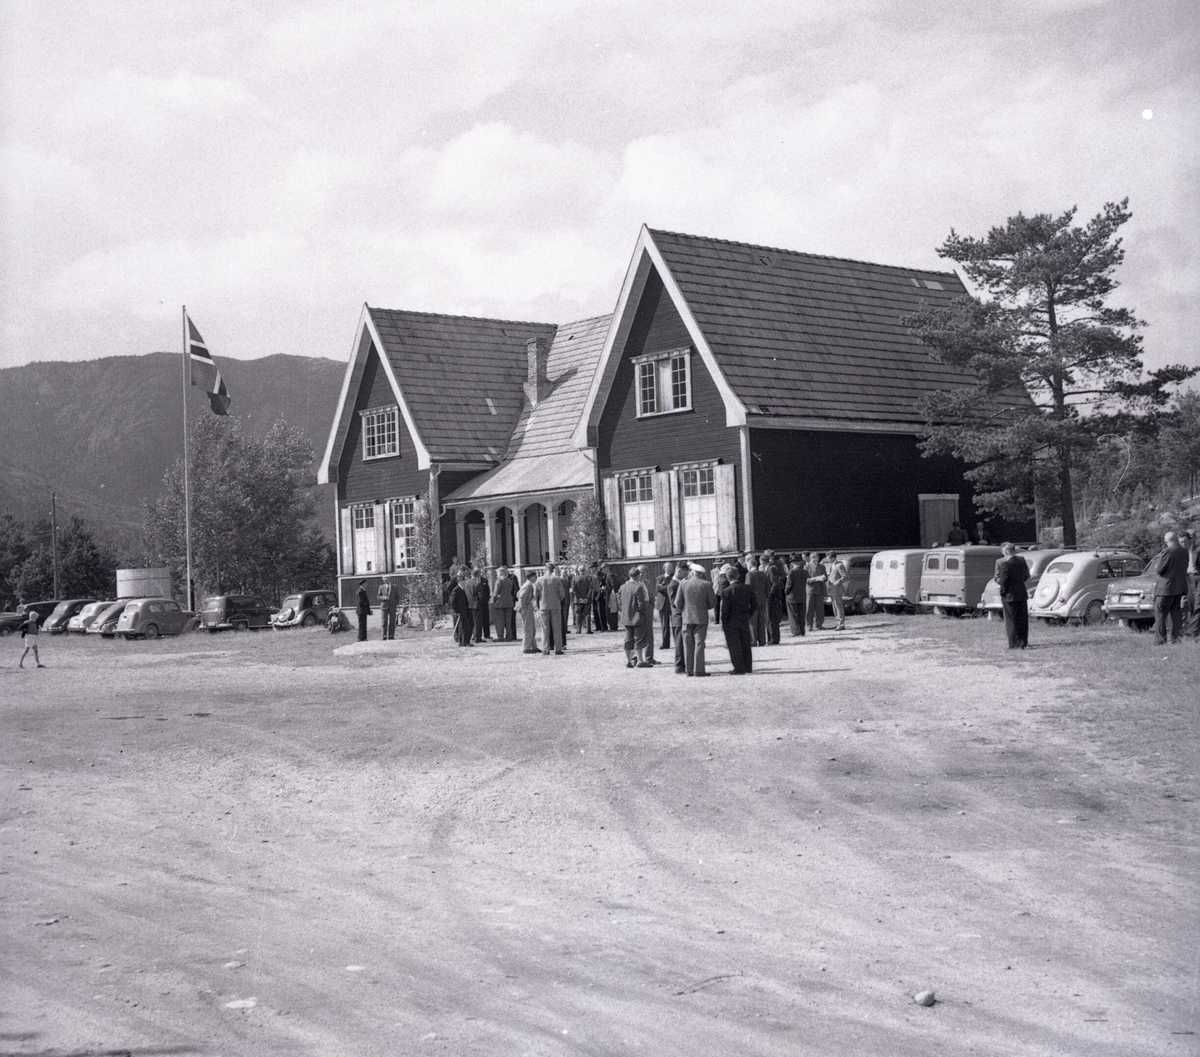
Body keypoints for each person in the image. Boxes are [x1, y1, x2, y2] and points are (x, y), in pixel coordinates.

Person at [675, 564, 718, 676]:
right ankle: (698, 670)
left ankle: (689, 670)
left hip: (687, 617)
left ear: (692, 572)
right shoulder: (707, 584)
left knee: (688, 644)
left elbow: (677, 603)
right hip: (701, 618)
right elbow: (712, 603)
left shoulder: (683, 584)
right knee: (699, 643)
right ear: (701, 574)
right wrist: (704, 607)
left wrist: (685, 609)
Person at [1151, 531, 1190, 645]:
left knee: (1160, 614)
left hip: (1166, 589)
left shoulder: (1168, 551)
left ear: (1168, 540)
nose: (1164, 541)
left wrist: (1158, 565)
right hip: (1179, 588)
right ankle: (1176, 638)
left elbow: (1160, 570)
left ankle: (1160, 639)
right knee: (1175, 614)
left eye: (1164, 539)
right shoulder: (1184, 551)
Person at [719, 567, 757, 674]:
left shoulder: (726, 591)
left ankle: (739, 667)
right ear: (739, 575)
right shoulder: (747, 588)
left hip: (731, 620)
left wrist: (724, 622)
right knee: (745, 643)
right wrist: (748, 615)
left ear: (727, 577)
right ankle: (747, 667)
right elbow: (755, 604)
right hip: (744, 619)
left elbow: (724, 610)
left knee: (734, 645)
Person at [994, 542, 1031, 649]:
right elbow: (1026, 576)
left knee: (1011, 619)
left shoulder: (1005, 564)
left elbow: (1004, 581)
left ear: (1005, 552)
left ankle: (1014, 643)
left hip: (1009, 595)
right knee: (1023, 619)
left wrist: (1002, 592)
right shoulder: (1022, 561)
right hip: (1021, 593)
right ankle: (1023, 641)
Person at [618, 566, 652, 668]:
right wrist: (644, 613)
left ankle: (628, 660)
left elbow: (620, 601)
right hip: (637, 617)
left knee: (628, 639)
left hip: (626, 617)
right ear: (637, 576)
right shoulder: (638, 587)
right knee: (639, 639)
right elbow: (641, 604)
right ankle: (640, 661)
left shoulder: (622, 587)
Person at [535, 562, 567, 655]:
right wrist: (559, 599)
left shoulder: (539, 579)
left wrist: (538, 603)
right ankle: (558, 648)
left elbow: (536, 593)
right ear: (553, 570)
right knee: (556, 627)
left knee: (544, 628)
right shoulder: (557, 579)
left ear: (545, 569)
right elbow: (562, 593)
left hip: (543, 605)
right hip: (555, 605)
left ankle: (545, 648)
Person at [667, 562, 688, 672]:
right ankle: (679, 666)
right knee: (679, 643)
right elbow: (674, 603)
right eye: (685, 573)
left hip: (682, 617)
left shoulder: (680, 583)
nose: (686, 575)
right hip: (678, 617)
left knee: (683, 642)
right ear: (679, 571)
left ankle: (684, 664)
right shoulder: (673, 585)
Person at [746, 557, 771, 646]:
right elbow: (768, 587)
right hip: (762, 600)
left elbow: (748, 588)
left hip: (753, 601)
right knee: (761, 621)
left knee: (752, 621)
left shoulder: (749, 575)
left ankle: (753, 641)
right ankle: (762, 640)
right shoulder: (763, 574)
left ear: (749, 565)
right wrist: (765, 597)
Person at [784, 555, 807, 637]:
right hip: (802, 595)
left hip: (792, 595)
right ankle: (802, 631)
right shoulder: (805, 572)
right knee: (801, 614)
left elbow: (789, 585)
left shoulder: (791, 572)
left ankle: (795, 631)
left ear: (792, 563)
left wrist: (785, 592)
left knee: (793, 614)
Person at [492, 566, 517, 641]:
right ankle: (509, 636)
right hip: (509, 602)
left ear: (501, 573)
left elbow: (496, 592)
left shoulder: (499, 580)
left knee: (500, 621)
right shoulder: (509, 580)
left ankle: (500, 636)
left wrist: (494, 599)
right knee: (508, 621)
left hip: (500, 603)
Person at [450, 573, 474, 646]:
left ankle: (463, 641)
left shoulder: (463, 589)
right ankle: (464, 642)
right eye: (464, 581)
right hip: (460, 611)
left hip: (465, 611)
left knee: (464, 626)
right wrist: (457, 611)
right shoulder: (456, 590)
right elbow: (453, 602)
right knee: (463, 627)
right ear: (460, 582)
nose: (465, 582)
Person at [826, 553, 848, 631]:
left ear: (833, 558)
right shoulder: (831, 566)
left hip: (837, 588)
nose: (827, 559)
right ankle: (838, 622)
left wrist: (838, 582)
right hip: (832, 589)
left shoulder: (839, 565)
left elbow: (844, 576)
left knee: (838, 606)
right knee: (834, 606)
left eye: (828, 558)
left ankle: (841, 624)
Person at [517, 570, 538, 652]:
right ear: (532, 577)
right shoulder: (528, 585)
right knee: (528, 628)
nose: (535, 578)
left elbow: (518, 594)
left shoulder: (527, 584)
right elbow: (521, 597)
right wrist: (523, 608)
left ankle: (533, 646)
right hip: (526, 607)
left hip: (528, 606)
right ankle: (526, 647)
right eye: (535, 577)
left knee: (531, 627)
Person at [656, 563, 676, 650]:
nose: (670, 569)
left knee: (675, 624)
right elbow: (658, 588)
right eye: (668, 567)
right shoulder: (660, 578)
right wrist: (667, 588)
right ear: (664, 568)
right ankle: (665, 644)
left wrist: (664, 587)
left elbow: (674, 588)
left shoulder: (674, 578)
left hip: (673, 603)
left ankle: (677, 643)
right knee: (664, 625)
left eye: (671, 567)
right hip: (663, 604)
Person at [805, 553, 826, 630]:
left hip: (820, 589)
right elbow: (805, 579)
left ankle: (818, 625)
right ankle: (809, 625)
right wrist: (813, 579)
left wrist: (824, 578)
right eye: (813, 557)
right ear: (810, 558)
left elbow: (825, 576)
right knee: (809, 608)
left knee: (819, 608)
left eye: (816, 557)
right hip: (810, 589)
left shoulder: (822, 566)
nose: (815, 559)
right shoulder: (806, 567)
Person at [572, 564, 595, 634]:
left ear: (578, 571)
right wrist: (587, 597)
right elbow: (591, 588)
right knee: (587, 614)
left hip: (578, 600)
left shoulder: (575, 579)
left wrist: (579, 598)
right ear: (585, 570)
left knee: (578, 614)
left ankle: (578, 629)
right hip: (586, 599)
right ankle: (588, 629)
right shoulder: (589, 578)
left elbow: (574, 590)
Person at [766, 565, 784, 645]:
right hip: (775, 597)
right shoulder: (771, 569)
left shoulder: (771, 569)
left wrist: (769, 594)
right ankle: (772, 638)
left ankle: (773, 638)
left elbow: (775, 583)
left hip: (773, 598)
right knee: (771, 618)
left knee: (772, 618)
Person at [376, 576, 398, 640]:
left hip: (392, 607)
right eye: (384, 580)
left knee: (392, 621)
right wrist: (384, 598)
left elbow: (397, 596)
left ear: (390, 579)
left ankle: (391, 635)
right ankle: (384, 635)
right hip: (384, 606)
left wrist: (396, 605)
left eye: (387, 580)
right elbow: (378, 596)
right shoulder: (381, 587)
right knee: (384, 621)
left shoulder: (394, 587)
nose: (386, 581)